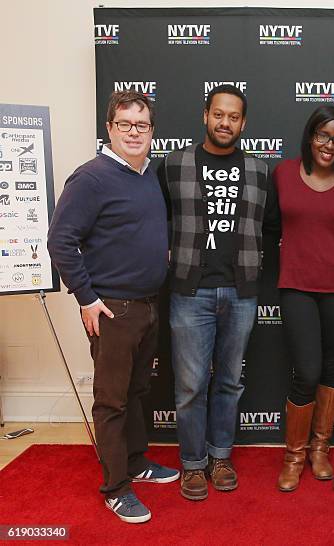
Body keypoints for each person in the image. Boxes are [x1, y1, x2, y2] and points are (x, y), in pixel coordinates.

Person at [47, 91, 179, 523]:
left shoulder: (145, 176)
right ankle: (116, 488)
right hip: (112, 310)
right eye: (125, 124)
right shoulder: (91, 178)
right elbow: (60, 242)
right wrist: (87, 297)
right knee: (111, 402)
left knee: (137, 392)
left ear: (152, 131)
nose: (134, 132)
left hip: (146, 305)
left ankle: (136, 462)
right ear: (109, 128)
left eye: (142, 125)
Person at [158, 84, 280, 501]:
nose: (224, 122)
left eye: (233, 117)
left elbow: (272, 227)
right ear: (205, 116)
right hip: (190, 292)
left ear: (243, 123)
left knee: (229, 382)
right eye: (218, 114)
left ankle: (220, 456)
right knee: (191, 385)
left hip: (241, 291)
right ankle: (193, 463)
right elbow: (156, 223)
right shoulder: (173, 165)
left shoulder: (261, 171)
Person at [274, 106, 334, 492]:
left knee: (332, 367)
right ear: (310, 136)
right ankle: (294, 454)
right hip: (296, 286)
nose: (330, 145)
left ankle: (320, 450)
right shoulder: (284, 173)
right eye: (324, 136)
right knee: (306, 370)